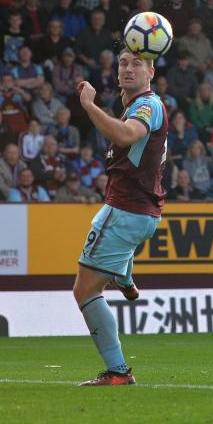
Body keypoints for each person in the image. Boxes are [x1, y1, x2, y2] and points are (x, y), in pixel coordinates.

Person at [71, 50, 167, 386]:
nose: (128, 68)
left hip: (127, 209)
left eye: (137, 64)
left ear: (151, 71)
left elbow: (126, 136)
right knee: (101, 239)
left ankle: (118, 371)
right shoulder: (136, 105)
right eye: (124, 63)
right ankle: (124, 278)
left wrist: (88, 106)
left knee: (84, 290)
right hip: (137, 211)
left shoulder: (147, 105)